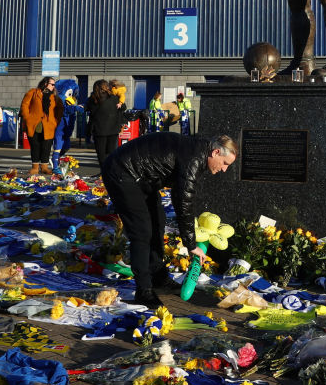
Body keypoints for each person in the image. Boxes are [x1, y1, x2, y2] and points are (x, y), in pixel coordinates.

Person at [101, 132, 237, 307]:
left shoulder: (199, 152)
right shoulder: (195, 158)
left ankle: (159, 278)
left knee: (158, 221)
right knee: (141, 231)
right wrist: (191, 245)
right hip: (121, 172)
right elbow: (183, 202)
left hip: (142, 178)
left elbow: (179, 195)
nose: (224, 169)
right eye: (225, 163)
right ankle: (144, 290)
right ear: (216, 152)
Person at [21, 77, 64, 179]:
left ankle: (44, 167)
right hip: (34, 123)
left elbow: (60, 109)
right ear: (45, 83)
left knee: (46, 146)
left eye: (54, 85)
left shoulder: (55, 97)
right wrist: (27, 117)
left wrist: (55, 121)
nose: (54, 87)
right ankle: (35, 167)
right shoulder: (33, 92)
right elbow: (24, 105)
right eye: (52, 84)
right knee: (35, 145)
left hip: (48, 125)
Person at [87, 80, 123, 169]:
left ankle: (104, 171)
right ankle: (111, 171)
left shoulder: (93, 99)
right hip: (113, 129)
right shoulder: (114, 98)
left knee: (101, 154)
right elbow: (123, 108)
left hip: (99, 130)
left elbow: (89, 111)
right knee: (111, 152)